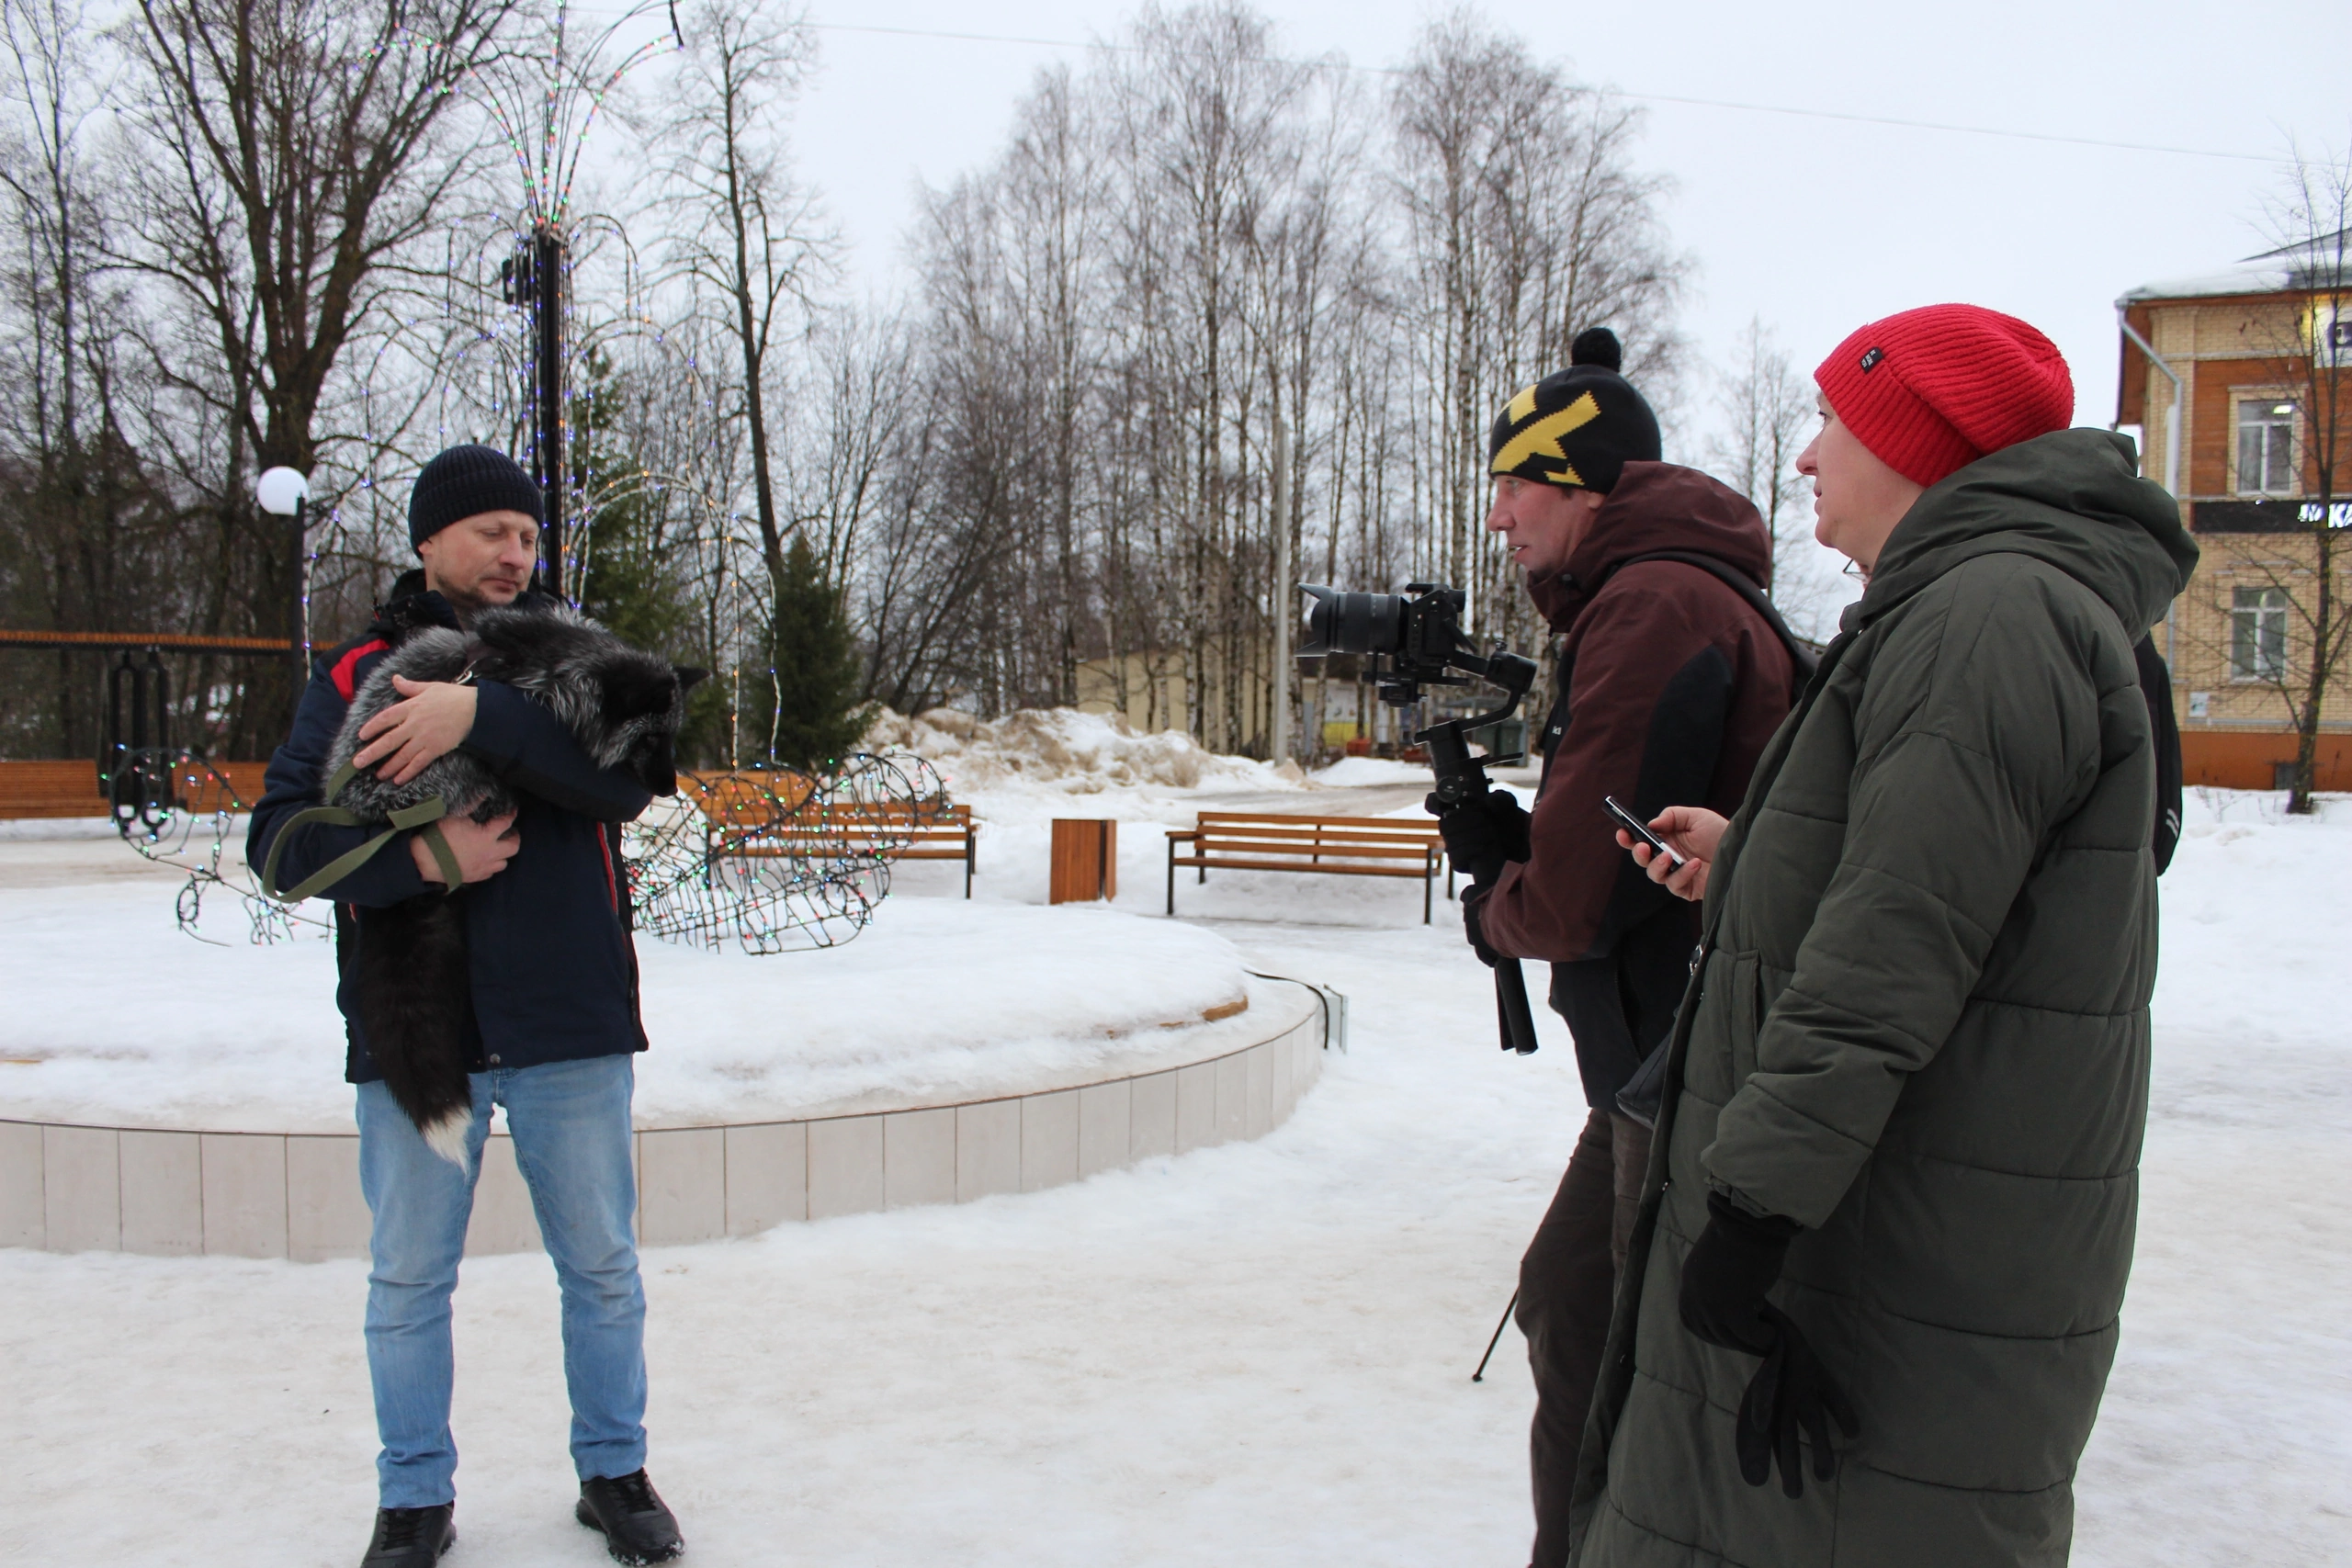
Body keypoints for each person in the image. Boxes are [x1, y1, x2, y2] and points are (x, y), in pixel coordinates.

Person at [1568, 305, 2197, 1567]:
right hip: (1886, 1223)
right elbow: (1938, 878)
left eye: (1832, 423)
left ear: (1916, 442)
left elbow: (1893, 949)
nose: (1804, 458)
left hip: (1889, 1247)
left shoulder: (1989, 617)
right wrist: (1747, 857)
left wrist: (1748, 1212)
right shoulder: (1971, 609)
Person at [248, 445, 687, 1568]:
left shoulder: (575, 659)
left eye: (529, 534)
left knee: (600, 1267)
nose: (514, 551)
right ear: (428, 541)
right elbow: (283, 844)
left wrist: (473, 715)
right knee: (406, 1280)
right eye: (492, 529)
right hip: (417, 1025)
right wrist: (425, 856)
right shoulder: (352, 674)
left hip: (567, 1024)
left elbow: (625, 783)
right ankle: (413, 1499)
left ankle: (614, 1472)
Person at [1433, 327, 1802, 1568]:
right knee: (1575, 1301)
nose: (1498, 518)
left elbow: (1585, 887)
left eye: (1514, 485)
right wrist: (1521, 841)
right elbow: (1618, 818)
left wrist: (1500, 904)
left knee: (1602, 1328)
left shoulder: (1651, 602)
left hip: (1689, 1067)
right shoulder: (1672, 589)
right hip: (1674, 1052)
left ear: (1579, 484)